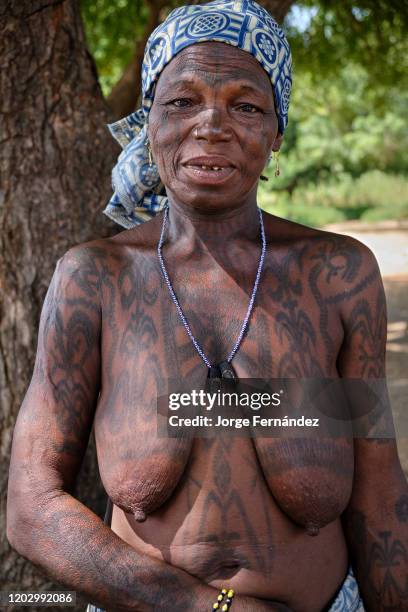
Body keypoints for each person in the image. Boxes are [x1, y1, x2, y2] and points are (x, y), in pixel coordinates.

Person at [6, 1, 408, 611]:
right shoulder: (95, 279)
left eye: (245, 105)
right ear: (149, 123)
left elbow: (378, 496)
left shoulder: (336, 277)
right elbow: (32, 505)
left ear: (277, 133)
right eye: (182, 101)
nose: (212, 125)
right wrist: (203, 607)